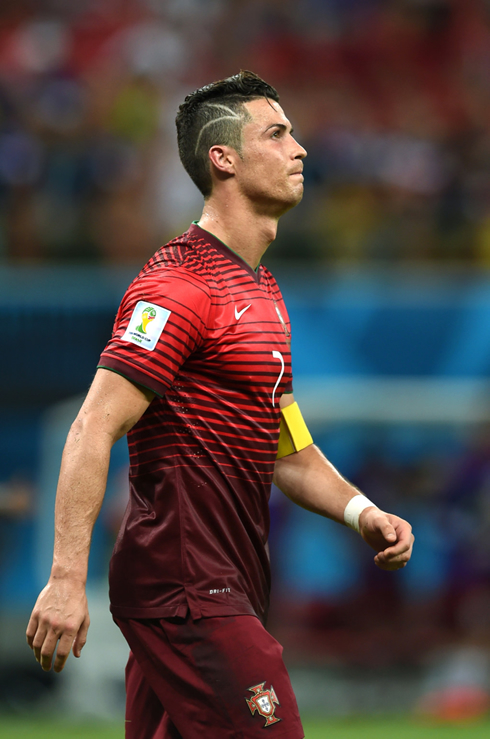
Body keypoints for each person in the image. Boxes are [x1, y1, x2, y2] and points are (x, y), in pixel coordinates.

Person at [26, 71, 414, 739]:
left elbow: (286, 445)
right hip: (185, 590)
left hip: (218, 586)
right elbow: (92, 425)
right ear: (223, 158)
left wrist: (362, 511)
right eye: (277, 133)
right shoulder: (178, 287)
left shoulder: (264, 294)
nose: (300, 150)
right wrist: (65, 579)